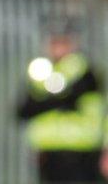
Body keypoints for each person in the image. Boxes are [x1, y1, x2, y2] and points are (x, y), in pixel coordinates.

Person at [17, 18, 104, 183]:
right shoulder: (40, 73)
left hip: (82, 151)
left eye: (63, 42)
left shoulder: (85, 72)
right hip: (49, 152)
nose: (58, 48)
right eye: (54, 42)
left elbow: (86, 103)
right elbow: (24, 110)